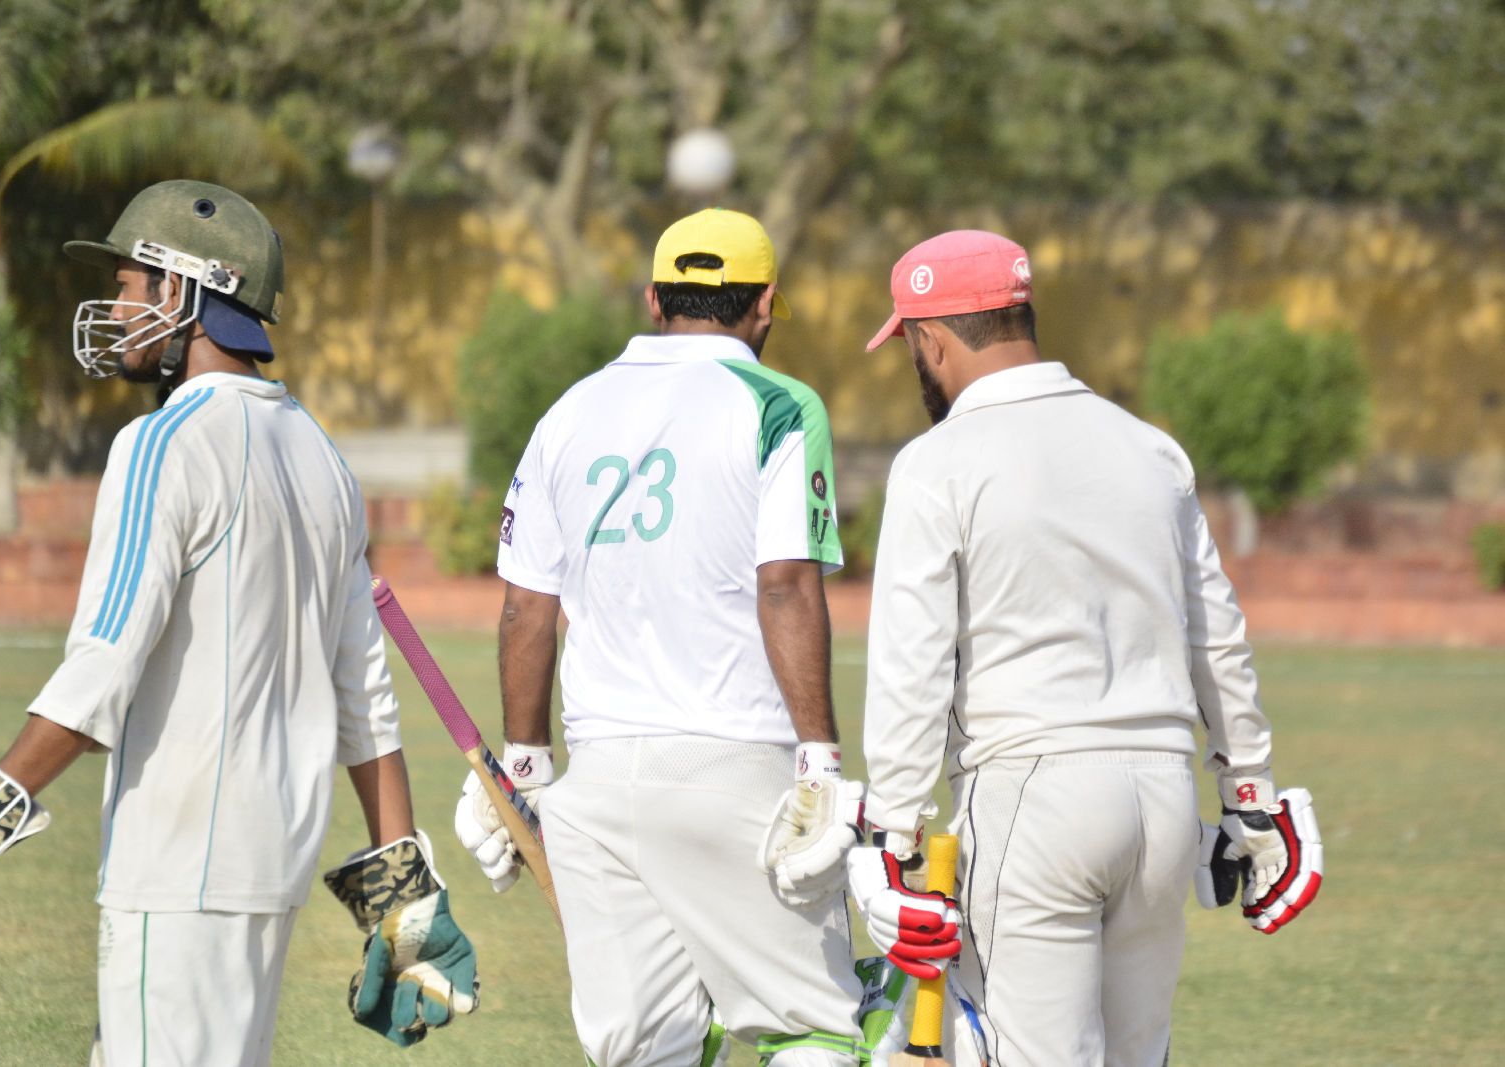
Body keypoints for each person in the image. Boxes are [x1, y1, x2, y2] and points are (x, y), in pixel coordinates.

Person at [0, 180, 478, 1065]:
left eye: (129, 285)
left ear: (181, 290)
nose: (116, 309)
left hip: (175, 866)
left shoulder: (162, 444)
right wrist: (402, 893)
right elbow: (367, 700)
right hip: (272, 871)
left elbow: (104, 667)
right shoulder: (324, 458)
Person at [850, 230, 1323, 1066]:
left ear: (932, 341)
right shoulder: (1149, 447)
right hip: (1162, 800)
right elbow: (1217, 636)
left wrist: (891, 834)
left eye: (912, 348)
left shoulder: (935, 462)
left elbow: (910, 666)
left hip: (1030, 796)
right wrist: (1251, 793)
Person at [453, 208, 867, 1067]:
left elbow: (527, 607)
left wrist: (523, 765)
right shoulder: (781, 404)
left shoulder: (568, 411)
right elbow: (786, 585)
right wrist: (821, 763)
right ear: (764, 303)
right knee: (810, 1025)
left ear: (653, 299)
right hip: (735, 759)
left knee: (642, 1045)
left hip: (599, 778)